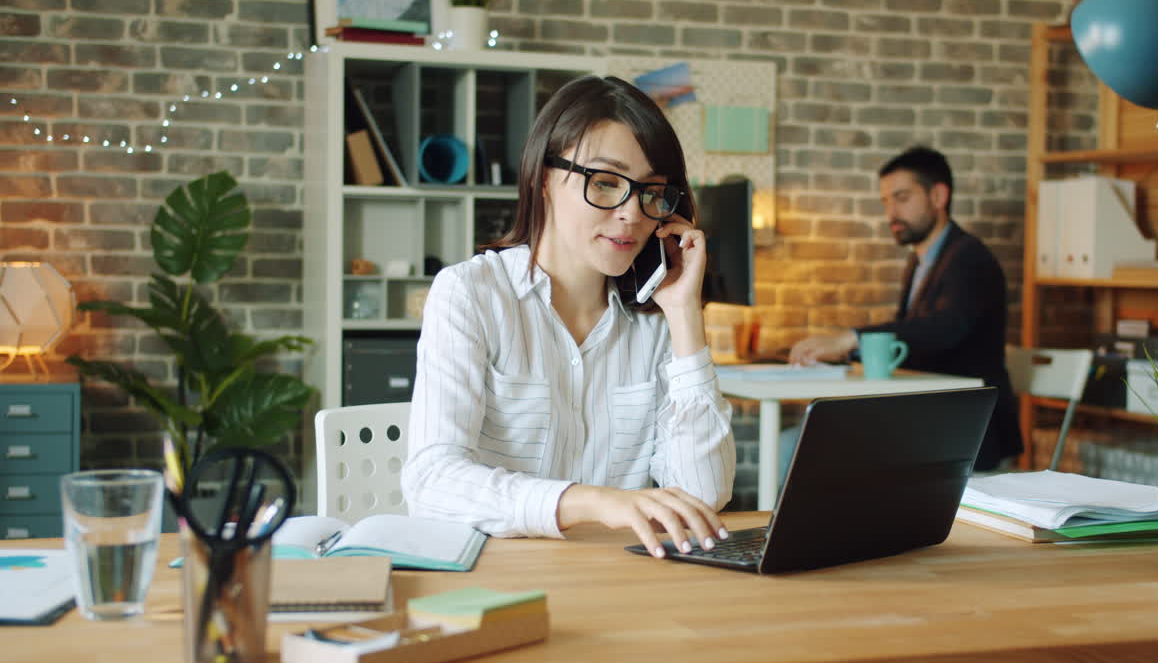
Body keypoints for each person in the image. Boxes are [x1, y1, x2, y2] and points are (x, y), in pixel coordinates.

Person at [403, 76, 736, 559]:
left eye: (652, 192)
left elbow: (702, 496)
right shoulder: (472, 293)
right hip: (495, 577)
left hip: (619, 586)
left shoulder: (657, 318)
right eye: (605, 182)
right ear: (543, 177)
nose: (631, 214)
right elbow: (431, 482)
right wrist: (593, 502)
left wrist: (685, 314)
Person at [789, 146, 1022, 471]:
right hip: (934, 422)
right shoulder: (920, 262)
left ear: (938, 196)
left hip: (969, 431)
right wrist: (847, 355)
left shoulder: (970, 258)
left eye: (901, 198)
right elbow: (911, 338)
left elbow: (942, 328)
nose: (891, 213)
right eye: (886, 201)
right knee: (805, 444)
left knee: (808, 449)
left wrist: (853, 338)